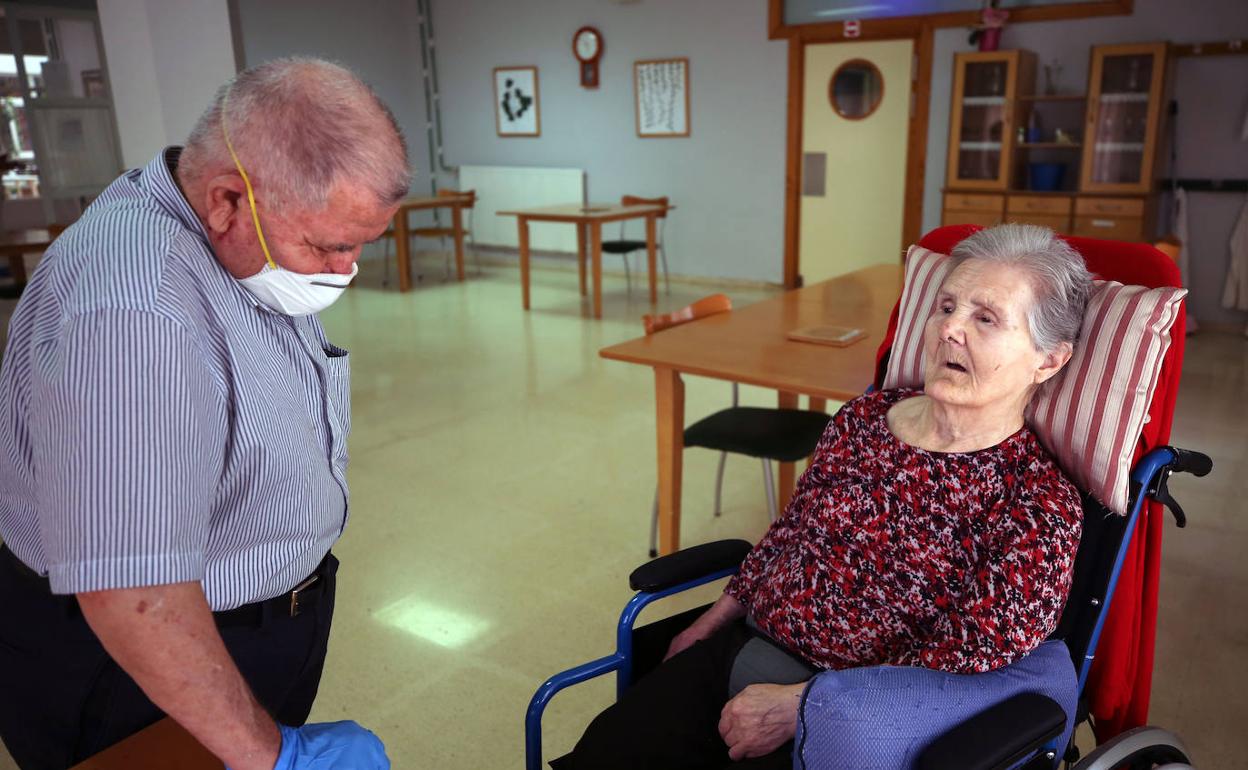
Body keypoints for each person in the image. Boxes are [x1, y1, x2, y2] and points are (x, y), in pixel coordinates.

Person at [553, 223, 1094, 769]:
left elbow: (969, 658)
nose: (949, 329)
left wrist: (804, 707)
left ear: (1049, 360)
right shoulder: (864, 419)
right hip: (740, 653)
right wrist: (708, 624)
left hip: (846, 724)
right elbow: (789, 532)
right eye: (946, 306)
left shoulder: (1038, 503)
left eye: (985, 318)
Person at [0, 58, 408, 769]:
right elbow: (134, 589)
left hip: (232, 636)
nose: (344, 272)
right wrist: (268, 754)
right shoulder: (135, 310)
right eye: (327, 246)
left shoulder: (227, 237)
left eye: (359, 246)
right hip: (137, 669)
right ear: (226, 200)